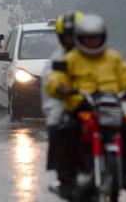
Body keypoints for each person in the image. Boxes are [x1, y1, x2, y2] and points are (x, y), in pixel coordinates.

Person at [45, 14, 126, 197]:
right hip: (81, 107)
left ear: (103, 37)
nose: (92, 42)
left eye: (96, 37)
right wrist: (61, 87)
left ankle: (124, 174)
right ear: (80, 38)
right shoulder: (71, 58)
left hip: (109, 108)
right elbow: (55, 79)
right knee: (66, 130)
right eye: (88, 38)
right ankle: (65, 180)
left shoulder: (114, 58)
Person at [41, 12, 83, 193]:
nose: (72, 39)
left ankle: (118, 168)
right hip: (63, 103)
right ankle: (62, 174)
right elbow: (51, 80)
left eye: (75, 34)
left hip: (92, 100)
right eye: (68, 35)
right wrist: (60, 89)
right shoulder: (56, 60)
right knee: (56, 125)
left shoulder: (96, 54)